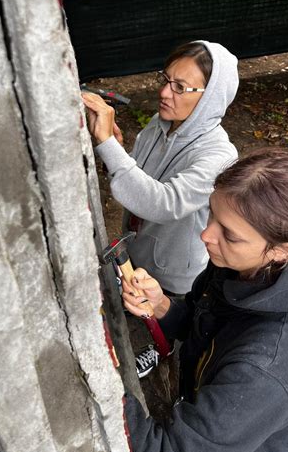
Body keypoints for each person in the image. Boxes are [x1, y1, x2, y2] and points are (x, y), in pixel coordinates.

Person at [122, 148, 288, 452]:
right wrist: (163, 306)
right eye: (211, 213)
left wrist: (102, 391)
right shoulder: (247, 266)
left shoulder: (269, 366)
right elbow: (205, 327)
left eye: (230, 235)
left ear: (285, 250)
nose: (206, 234)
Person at [82, 40, 239, 296]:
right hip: (136, 252)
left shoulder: (219, 156)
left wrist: (107, 144)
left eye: (179, 87)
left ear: (210, 98)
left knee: (164, 328)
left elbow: (165, 204)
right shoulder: (160, 123)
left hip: (172, 279)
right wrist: (117, 151)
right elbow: (139, 177)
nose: (164, 93)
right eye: (165, 79)